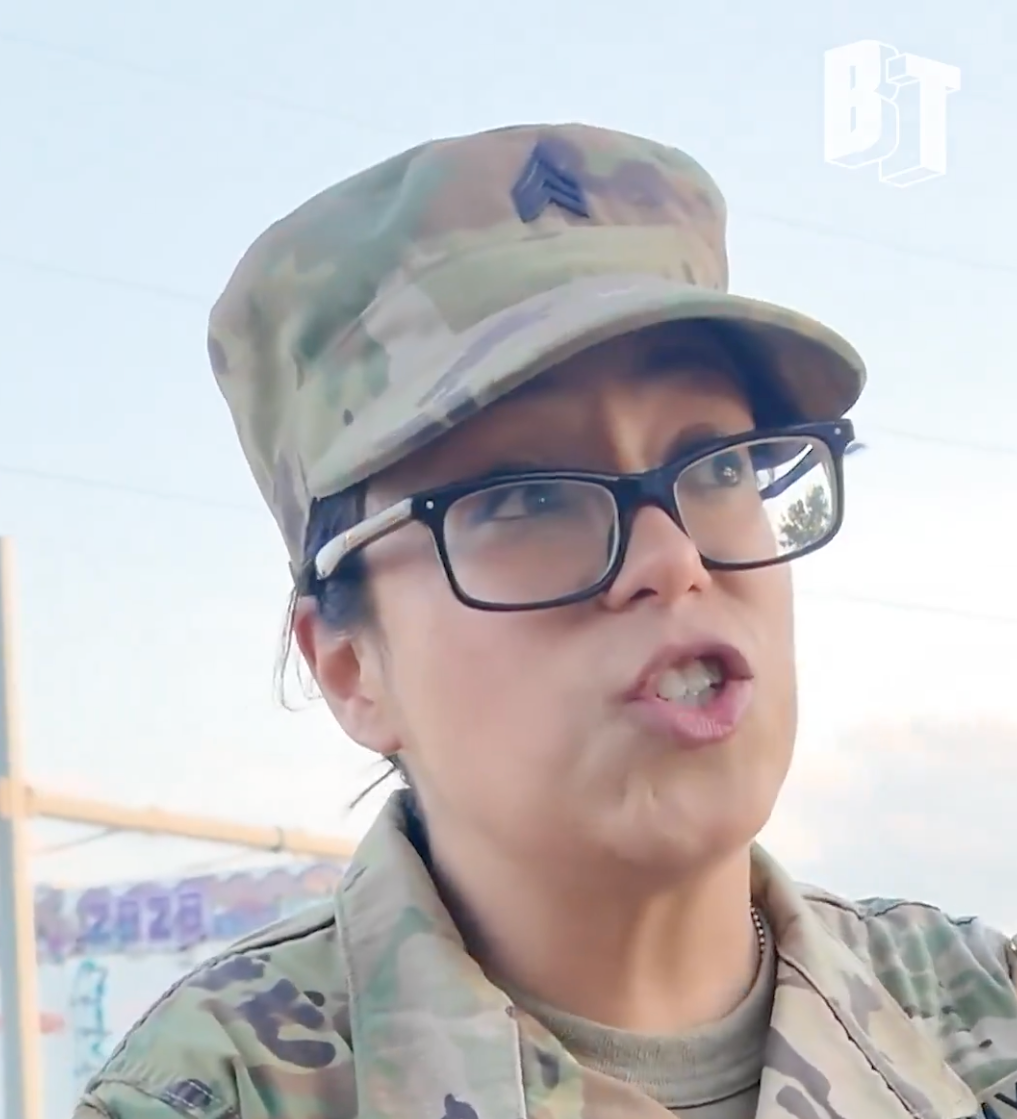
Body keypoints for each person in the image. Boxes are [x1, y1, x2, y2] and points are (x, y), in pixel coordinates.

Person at [74, 123, 1017, 1119]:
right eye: (524, 497)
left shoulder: (978, 1022)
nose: (672, 557)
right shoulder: (220, 1094)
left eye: (722, 463)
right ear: (352, 666)